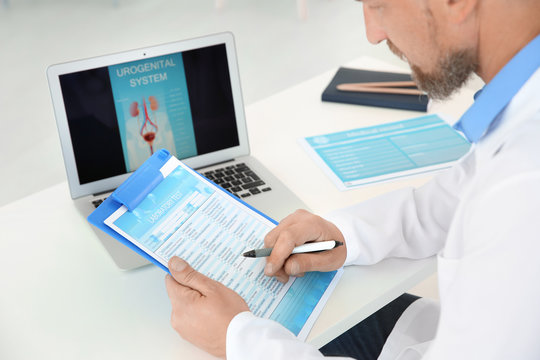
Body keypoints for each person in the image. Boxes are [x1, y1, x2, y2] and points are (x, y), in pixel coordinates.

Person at [164, 0, 540, 358]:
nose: (372, 33)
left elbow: (500, 197)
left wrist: (238, 341)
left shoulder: (523, 184)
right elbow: (458, 195)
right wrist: (344, 234)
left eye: (377, 5)